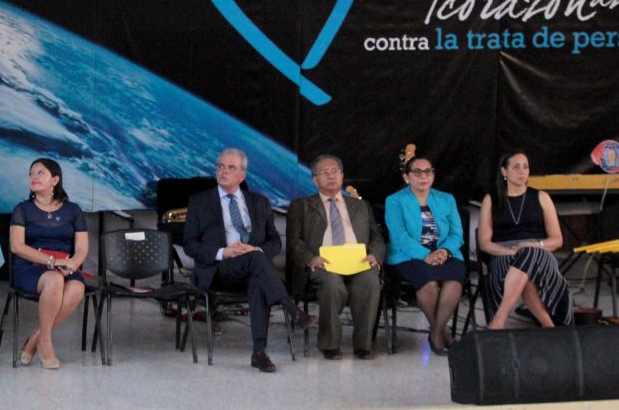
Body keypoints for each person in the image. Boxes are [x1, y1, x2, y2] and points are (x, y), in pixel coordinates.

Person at [183, 148, 312, 372]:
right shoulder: (200, 201)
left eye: (231, 167)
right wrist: (223, 252)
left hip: (252, 269)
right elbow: (190, 244)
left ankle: (259, 353)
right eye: (220, 167)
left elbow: (275, 241)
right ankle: (290, 308)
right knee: (256, 262)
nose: (223, 171)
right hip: (218, 269)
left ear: (242, 175)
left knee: (257, 276)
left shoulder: (259, 202)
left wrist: (256, 250)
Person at [287, 155, 385, 360]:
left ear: (342, 176)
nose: (331, 176)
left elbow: (376, 236)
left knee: (370, 280)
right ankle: (329, 344)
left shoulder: (360, 205)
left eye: (335, 171)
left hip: (357, 261)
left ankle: (363, 345)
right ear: (315, 180)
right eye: (324, 172)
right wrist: (311, 258)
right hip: (323, 263)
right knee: (332, 284)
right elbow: (294, 242)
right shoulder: (302, 205)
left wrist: (374, 255)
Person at [478, 150, 573, 329]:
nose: (522, 171)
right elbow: (484, 243)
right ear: (504, 171)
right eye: (516, 167)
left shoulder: (541, 197)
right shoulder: (491, 199)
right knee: (526, 272)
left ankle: (499, 319)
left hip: (539, 251)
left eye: (525, 167)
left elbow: (557, 239)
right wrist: (510, 251)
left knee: (529, 254)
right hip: (504, 253)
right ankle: (549, 326)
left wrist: (537, 245)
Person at [9, 158, 89, 369]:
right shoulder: (22, 209)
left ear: (55, 180)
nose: (33, 177)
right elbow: (17, 246)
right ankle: (46, 342)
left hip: (64, 265)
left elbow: (82, 248)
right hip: (31, 266)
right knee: (54, 280)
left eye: (40, 173)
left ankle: (35, 337)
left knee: (76, 288)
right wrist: (52, 262)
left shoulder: (73, 210)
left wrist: (72, 264)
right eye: (31, 173)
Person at [384, 156, 465, 356]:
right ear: (406, 177)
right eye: (417, 172)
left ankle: (436, 331)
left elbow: (457, 234)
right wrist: (425, 255)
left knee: (454, 281)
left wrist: (445, 251)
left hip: (444, 252)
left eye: (428, 171)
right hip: (407, 255)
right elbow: (399, 236)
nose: (423, 176)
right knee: (428, 283)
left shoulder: (446, 199)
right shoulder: (395, 201)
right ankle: (440, 332)